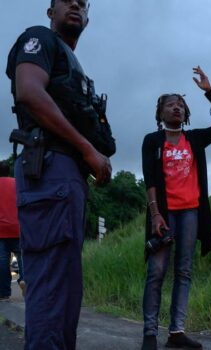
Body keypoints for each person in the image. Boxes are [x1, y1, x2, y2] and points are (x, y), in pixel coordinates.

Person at [6, 0, 115, 349]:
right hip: (50, 168)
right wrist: (86, 148)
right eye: (67, 0)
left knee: (66, 295)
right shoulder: (39, 39)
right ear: (49, 10)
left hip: (68, 179)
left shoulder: (77, 68)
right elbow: (29, 91)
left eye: (83, 3)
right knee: (51, 293)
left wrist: (94, 153)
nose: (76, 6)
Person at [141, 66, 211, 350]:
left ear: (185, 113)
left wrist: (210, 92)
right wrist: (155, 214)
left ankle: (176, 333)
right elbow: (150, 179)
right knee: (157, 272)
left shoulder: (195, 139)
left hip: (190, 213)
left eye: (180, 104)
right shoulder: (152, 141)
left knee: (183, 272)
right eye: (170, 104)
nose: (176, 107)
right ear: (160, 112)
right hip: (163, 214)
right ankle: (150, 333)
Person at [0, 160, 25, 301]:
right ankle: (25, 280)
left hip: (0, 231)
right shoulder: (17, 184)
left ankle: (4, 293)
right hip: (18, 227)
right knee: (22, 258)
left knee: (2, 262)